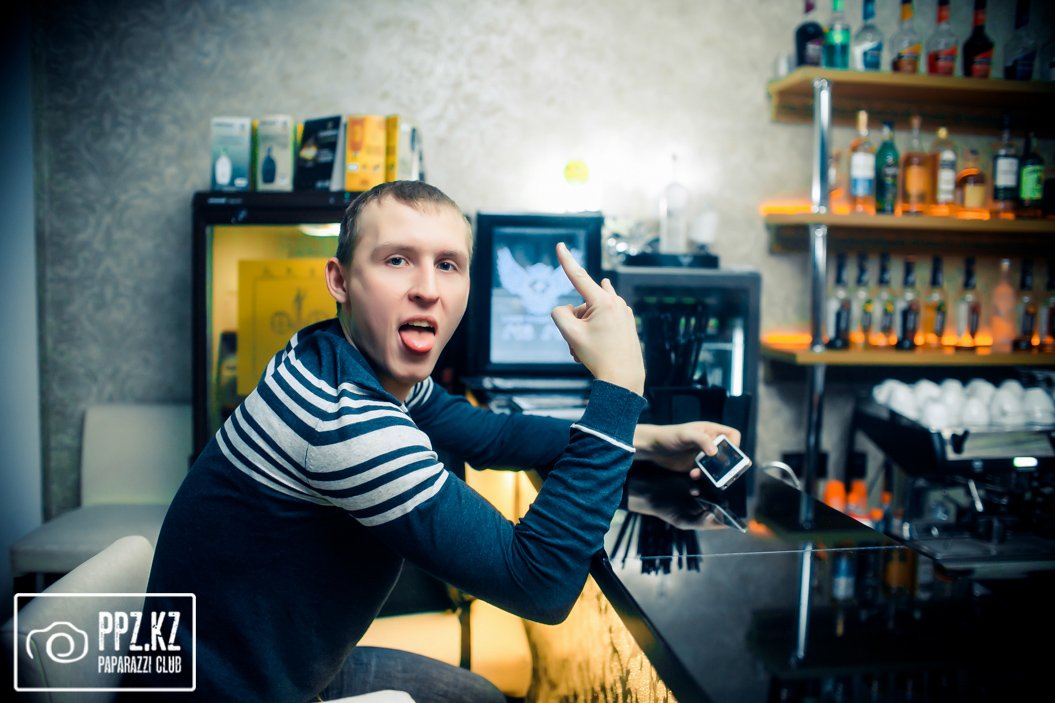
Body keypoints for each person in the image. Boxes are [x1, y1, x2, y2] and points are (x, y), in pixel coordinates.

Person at [144, 180, 742, 702]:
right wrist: (620, 383)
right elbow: (541, 582)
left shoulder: (338, 354)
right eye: (397, 260)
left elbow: (492, 434)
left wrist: (647, 438)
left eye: (448, 265)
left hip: (279, 663)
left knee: (477, 696)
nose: (427, 289)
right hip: (233, 693)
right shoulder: (344, 419)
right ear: (340, 280)